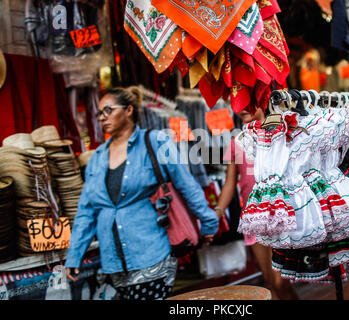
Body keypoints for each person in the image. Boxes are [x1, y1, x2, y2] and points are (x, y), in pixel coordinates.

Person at [65, 86, 219, 300]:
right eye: (99, 113)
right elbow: (87, 211)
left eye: (108, 110)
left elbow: (185, 183)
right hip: (114, 262)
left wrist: (208, 221)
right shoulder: (97, 158)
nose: (102, 117)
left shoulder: (155, 141)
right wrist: (75, 255)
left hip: (151, 253)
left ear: (128, 110)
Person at [216, 107, 298, 300]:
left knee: (280, 282)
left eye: (248, 103)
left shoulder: (278, 135)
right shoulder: (236, 142)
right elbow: (229, 183)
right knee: (269, 283)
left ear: (262, 103)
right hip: (253, 218)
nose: (242, 109)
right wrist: (218, 212)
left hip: (278, 214)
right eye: (237, 105)